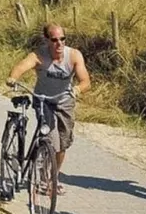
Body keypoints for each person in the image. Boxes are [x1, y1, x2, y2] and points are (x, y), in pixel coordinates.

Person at [7, 23, 90, 196]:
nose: (59, 44)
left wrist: (77, 89)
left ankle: (53, 177)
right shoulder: (39, 55)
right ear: (47, 40)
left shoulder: (73, 55)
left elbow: (85, 81)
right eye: (54, 40)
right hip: (44, 101)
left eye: (62, 39)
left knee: (63, 144)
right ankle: (44, 180)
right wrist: (13, 78)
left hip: (65, 102)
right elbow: (20, 67)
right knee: (51, 140)